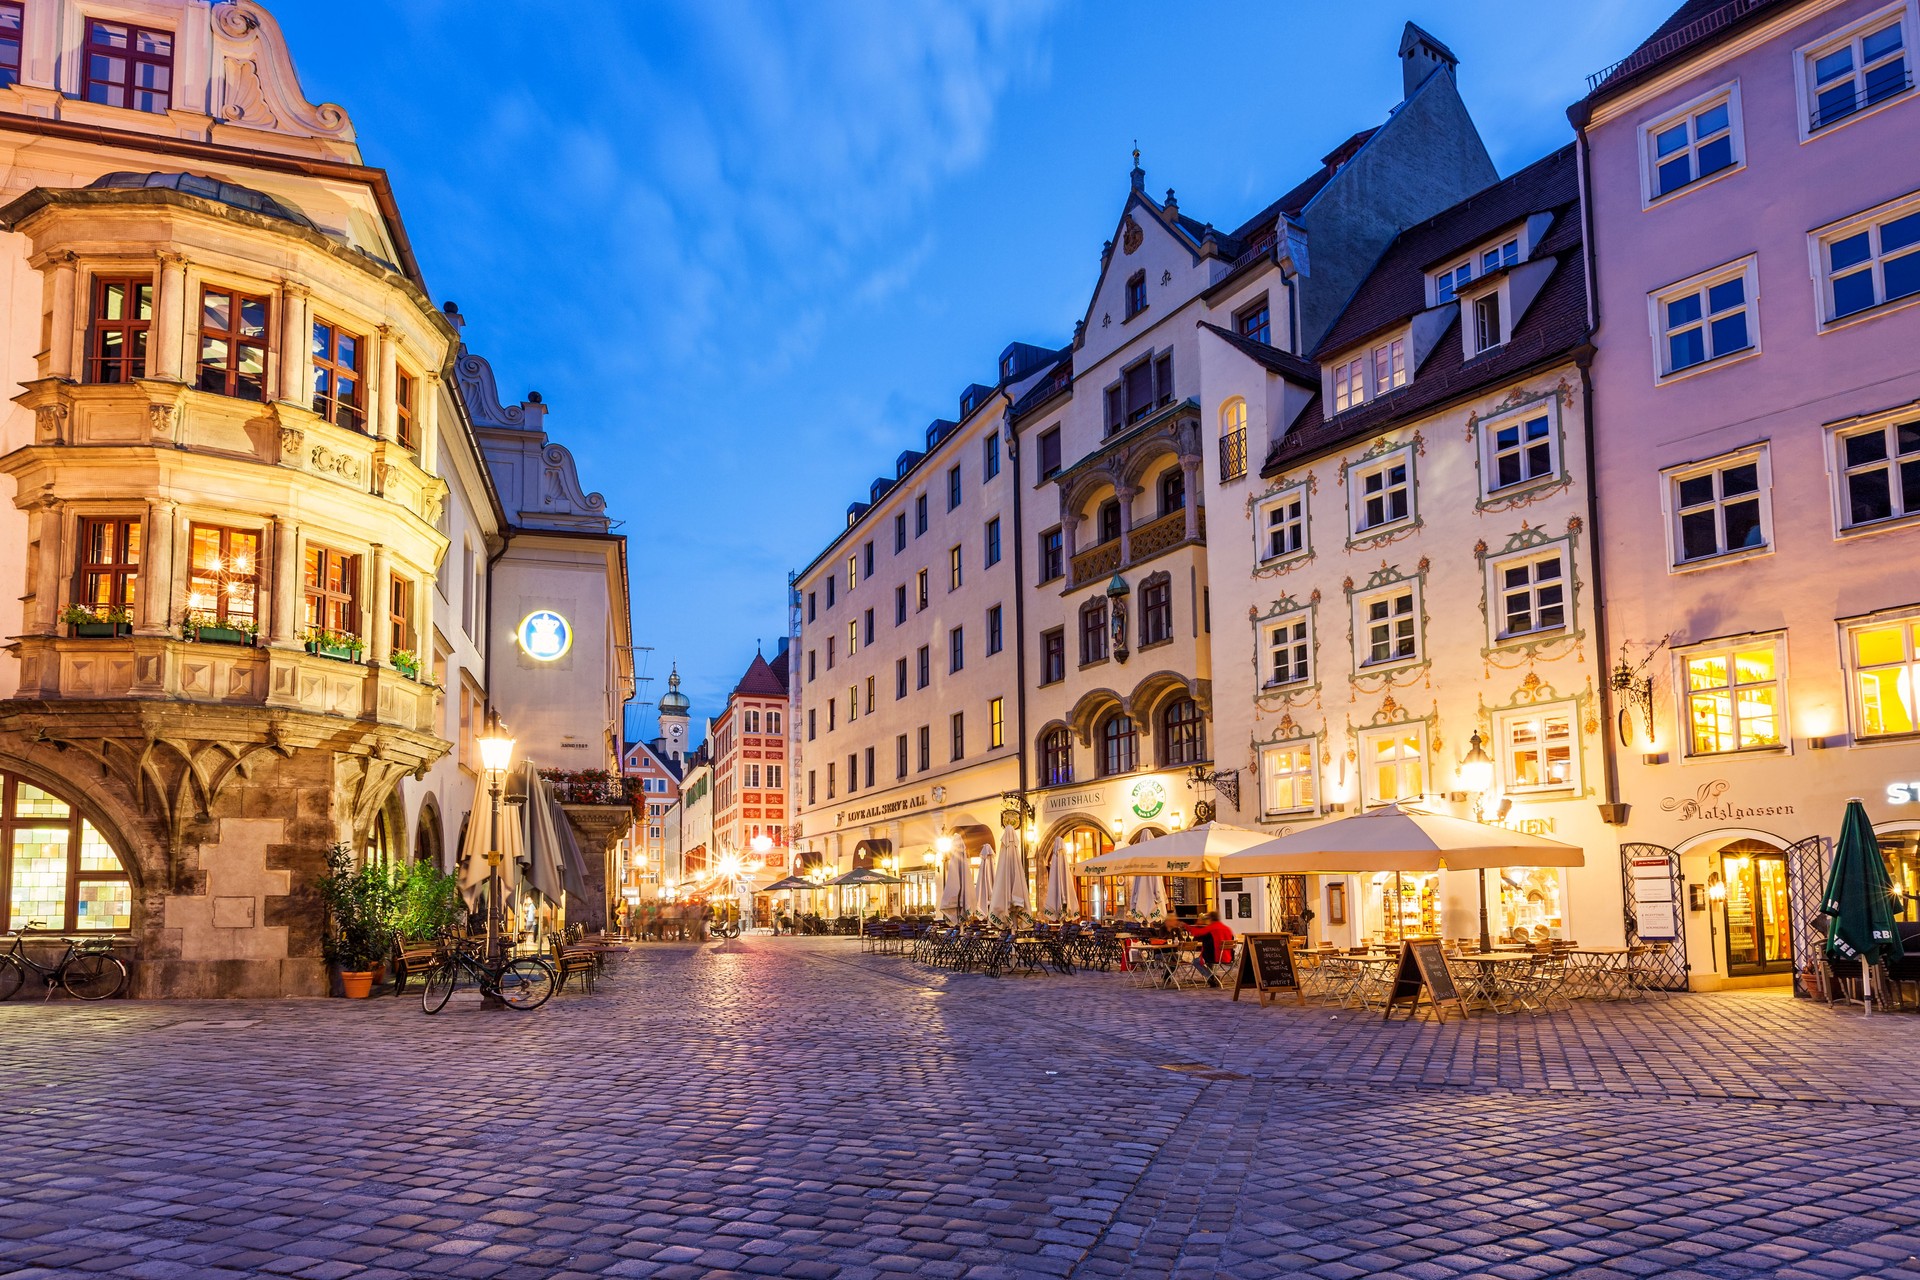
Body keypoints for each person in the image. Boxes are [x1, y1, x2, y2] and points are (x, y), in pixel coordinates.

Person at [1188, 911, 1234, 986]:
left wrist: (1198, 925)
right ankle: (1212, 978)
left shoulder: (1210, 929)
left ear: (1210, 919)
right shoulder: (1228, 929)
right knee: (1208, 959)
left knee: (1196, 961)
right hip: (1227, 956)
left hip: (1213, 957)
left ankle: (1211, 977)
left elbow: (1196, 938)